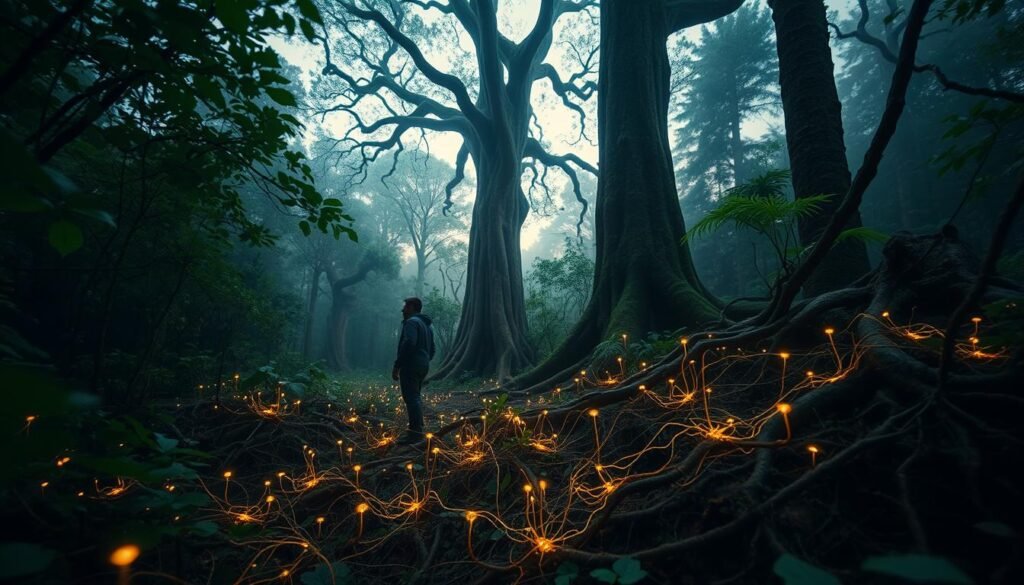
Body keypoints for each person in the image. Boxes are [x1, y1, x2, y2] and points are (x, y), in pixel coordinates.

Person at [392, 297, 435, 445]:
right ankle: (417, 429)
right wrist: (424, 360)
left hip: (411, 364)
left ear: (412, 308)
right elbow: (433, 349)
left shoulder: (411, 322)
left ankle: (415, 434)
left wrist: (397, 365)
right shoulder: (427, 325)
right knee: (415, 396)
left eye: (405, 307)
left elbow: (409, 342)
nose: (403, 310)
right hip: (423, 365)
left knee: (411, 398)